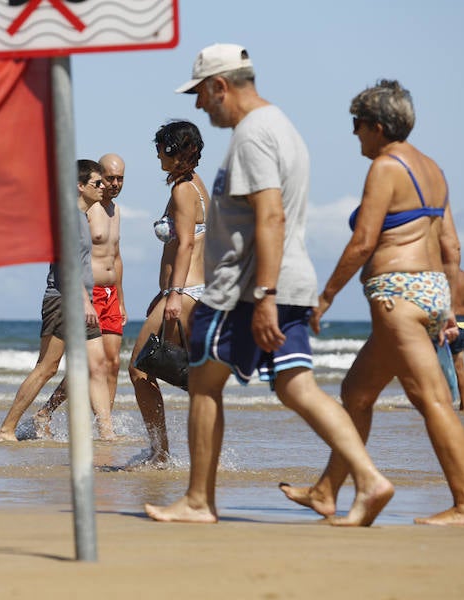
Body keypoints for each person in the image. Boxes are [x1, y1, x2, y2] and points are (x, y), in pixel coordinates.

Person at [145, 44, 393, 526]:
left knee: (202, 380)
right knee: (295, 385)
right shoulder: (283, 128)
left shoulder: (254, 135)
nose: (198, 105)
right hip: (283, 281)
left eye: (200, 94)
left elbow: (271, 215)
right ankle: (368, 479)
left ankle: (198, 500)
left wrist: (264, 295)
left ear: (221, 86)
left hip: (246, 287)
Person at [278, 80, 464, 526]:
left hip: (397, 295)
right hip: (431, 291)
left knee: (434, 401)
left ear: (378, 126)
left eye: (357, 124)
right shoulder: (434, 169)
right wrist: (453, 311)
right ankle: (326, 491)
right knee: (356, 393)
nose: (354, 133)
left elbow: (363, 241)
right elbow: (452, 246)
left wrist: (323, 298)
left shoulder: (385, 166)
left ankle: (463, 504)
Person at [0, 159, 115, 442]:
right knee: (47, 367)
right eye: (97, 183)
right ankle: (6, 429)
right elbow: (67, 265)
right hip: (63, 300)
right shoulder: (68, 218)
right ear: (79, 186)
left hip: (81, 302)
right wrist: (85, 302)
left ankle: (107, 433)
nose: (103, 187)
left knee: (97, 365)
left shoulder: (83, 217)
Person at [125, 120, 209, 466]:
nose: (157, 153)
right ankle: (181, 451)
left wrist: (173, 294)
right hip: (187, 290)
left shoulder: (183, 191)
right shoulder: (193, 185)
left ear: (174, 150)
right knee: (186, 373)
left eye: (161, 147)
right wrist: (163, 293)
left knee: (140, 367)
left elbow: (187, 243)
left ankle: (161, 453)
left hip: (186, 291)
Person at [32, 153, 127, 435]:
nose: (114, 184)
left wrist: (120, 299)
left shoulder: (115, 210)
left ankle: (104, 424)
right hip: (90, 292)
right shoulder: (89, 209)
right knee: (90, 365)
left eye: (120, 178)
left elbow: (117, 256)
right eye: (108, 178)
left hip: (111, 294)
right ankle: (47, 412)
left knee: (111, 363)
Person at [450, 269, 464, 411]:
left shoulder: (443, 275)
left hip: (447, 323)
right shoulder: (463, 276)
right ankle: (463, 405)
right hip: (463, 324)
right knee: (459, 367)